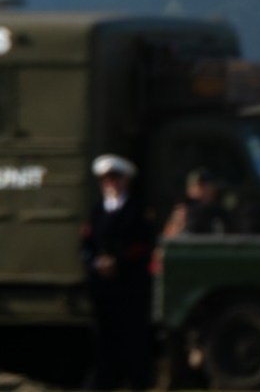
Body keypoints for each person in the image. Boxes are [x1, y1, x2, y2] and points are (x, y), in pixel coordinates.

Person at [81, 155, 153, 392]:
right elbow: (86, 245)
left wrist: (117, 261)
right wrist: (95, 262)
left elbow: (144, 245)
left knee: (132, 340)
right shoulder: (97, 211)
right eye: (106, 179)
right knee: (105, 340)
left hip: (129, 288)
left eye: (115, 178)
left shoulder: (137, 210)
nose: (111, 183)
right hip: (103, 289)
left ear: (126, 181)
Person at [160, 167, 229, 238]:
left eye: (204, 186)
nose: (198, 190)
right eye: (194, 186)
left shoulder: (219, 213)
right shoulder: (182, 212)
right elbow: (168, 242)